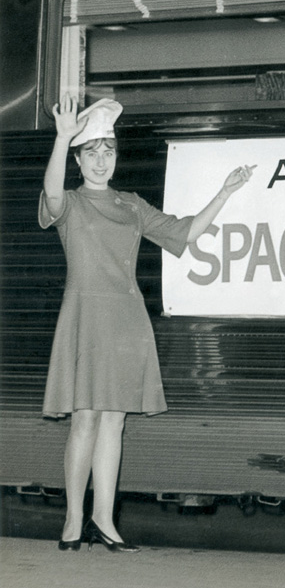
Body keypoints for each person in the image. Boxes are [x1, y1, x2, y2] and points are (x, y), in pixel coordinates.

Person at [41, 95, 254, 552]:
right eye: (91, 152)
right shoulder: (71, 203)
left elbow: (187, 232)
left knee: (114, 421)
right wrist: (60, 140)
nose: (102, 160)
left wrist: (225, 192)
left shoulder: (132, 204)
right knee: (85, 418)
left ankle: (104, 519)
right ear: (78, 159)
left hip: (126, 318)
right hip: (84, 315)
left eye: (109, 151)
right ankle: (73, 520)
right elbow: (53, 194)